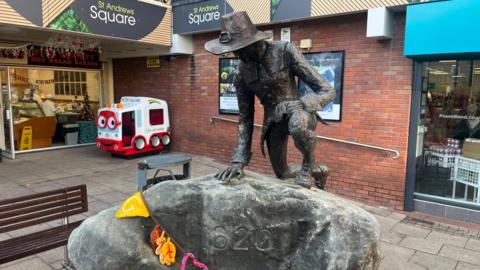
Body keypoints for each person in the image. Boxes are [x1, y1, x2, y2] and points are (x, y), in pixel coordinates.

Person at [205, 12, 335, 188]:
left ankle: (306, 167)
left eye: (240, 48)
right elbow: (245, 119)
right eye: (234, 50)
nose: (237, 54)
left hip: (299, 111)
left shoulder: (284, 51)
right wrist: (239, 161)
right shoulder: (242, 74)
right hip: (273, 122)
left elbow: (327, 90)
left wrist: (303, 103)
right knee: (282, 172)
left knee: (298, 126)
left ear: (253, 42)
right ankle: (320, 170)